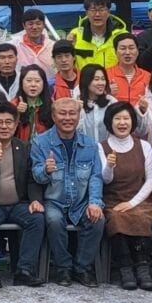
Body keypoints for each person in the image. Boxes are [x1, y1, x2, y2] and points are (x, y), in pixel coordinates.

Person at [31, 98, 105, 287]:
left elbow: (95, 177)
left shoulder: (90, 144)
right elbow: (36, 177)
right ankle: (63, 267)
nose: (67, 118)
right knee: (54, 220)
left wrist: (95, 202)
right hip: (54, 201)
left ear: (78, 116)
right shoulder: (40, 142)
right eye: (62, 113)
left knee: (98, 219)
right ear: (54, 116)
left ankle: (82, 268)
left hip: (81, 202)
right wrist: (46, 171)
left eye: (72, 113)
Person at [0, 102, 46, 290]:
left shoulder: (23, 147)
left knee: (37, 218)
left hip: (18, 204)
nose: (4, 126)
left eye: (9, 122)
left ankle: (24, 271)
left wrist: (35, 201)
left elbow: (32, 179)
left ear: (16, 125)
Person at [99, 102, 152, 291]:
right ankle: (125, 268)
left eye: (126, 118)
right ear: (110, 122)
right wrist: (109, 166)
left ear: (132, 122)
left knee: (140, 215)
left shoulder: (144, 146)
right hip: (113, 199)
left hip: (140, 198)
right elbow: (105, 181)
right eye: (117, 119)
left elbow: (151, 181)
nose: (122, 123)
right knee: (116, 217)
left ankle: (142, 268)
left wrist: (132, 203)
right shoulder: (102, 147)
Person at [67, 0, 129, 70]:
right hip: (84, 81)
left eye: (101, 10)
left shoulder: (122, 36)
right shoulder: (75, 35)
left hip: (114, 81)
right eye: (93, 10)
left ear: (108, 12)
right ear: (86, 13)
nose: (97, 14)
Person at [11, 65, 53, 143]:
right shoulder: (13, 105)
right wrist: (17, 113)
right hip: (20, 150)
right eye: (29, 80)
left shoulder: (52, 105)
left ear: (44, 83)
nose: (33, 84)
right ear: (21, 82)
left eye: (37, 81)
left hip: (44, 150)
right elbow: (7, 132)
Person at [106, 34, 150, 107]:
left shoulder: (147, 76)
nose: (127, 52)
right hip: (114, 116)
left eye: (131, 48)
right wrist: (106, 93)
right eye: (123, 48)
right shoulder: (106, 74)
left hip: (139, 117)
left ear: (137, 51)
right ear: (115, 52)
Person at [10, 8, 56, 76]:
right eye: (30, 24)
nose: (34, 27)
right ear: (24, 25)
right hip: (21, 85)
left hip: (48, 85)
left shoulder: (53, 46)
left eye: (38, 23)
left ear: (43, 25)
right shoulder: (13, 45)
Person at [78, 64, 114, 145]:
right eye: (96, 79)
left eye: (103, 79)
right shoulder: (77, 104)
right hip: (85, 152)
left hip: (108, 152)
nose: (101, 83)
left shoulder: (111, 102)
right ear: (86, 81)